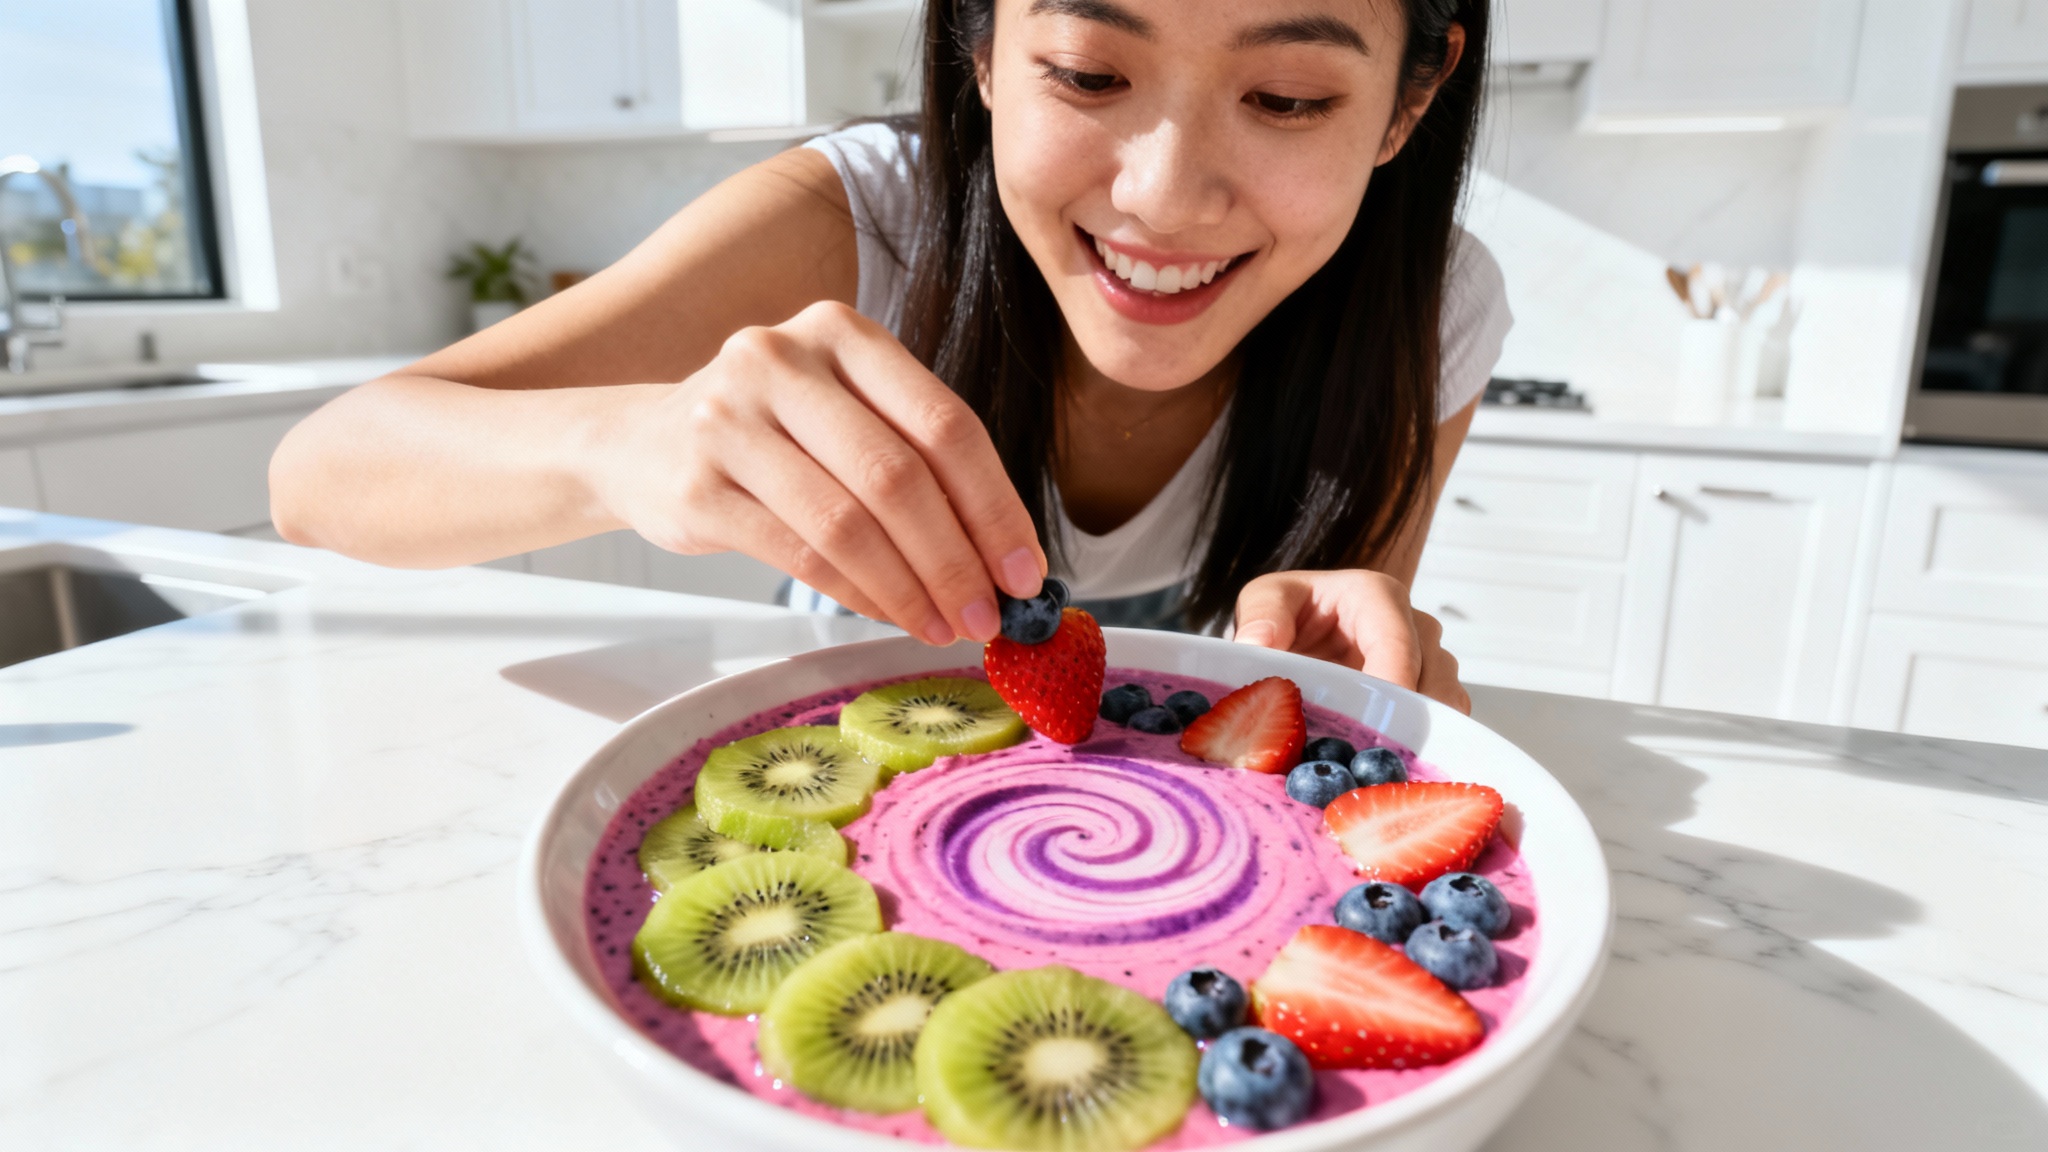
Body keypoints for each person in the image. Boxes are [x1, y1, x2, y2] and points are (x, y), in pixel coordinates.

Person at [270, 0, 1507, 712]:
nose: (1165, 199)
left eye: (1287, 98)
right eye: (1086, 73)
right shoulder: (858, 218)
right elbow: (320, 476)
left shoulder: (1432, 307)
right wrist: (630, 441)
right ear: (977, 49)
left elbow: (1336, 629)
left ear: (1408, 99)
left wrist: (1366, 653)